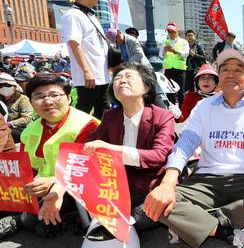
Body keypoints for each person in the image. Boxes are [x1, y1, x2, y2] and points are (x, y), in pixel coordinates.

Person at [143, 49, 244, 248]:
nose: (230, 74)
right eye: (225, 69)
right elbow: (186, 142)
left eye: (238, 69)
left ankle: (197, 224)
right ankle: (229, 232)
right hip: (206, 181)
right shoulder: (203, 106)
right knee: (158, 202)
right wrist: (167, 182)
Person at [39, 63, 175, 237]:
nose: (121, 81)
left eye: (129, 77)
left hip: (147, 185)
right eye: (117, 78)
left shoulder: (162, 116)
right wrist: (58, 187)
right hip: (114, 186)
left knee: (138, 220)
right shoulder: (110, 116)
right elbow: (84, 151)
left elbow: (159, 156)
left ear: (146, 87)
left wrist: (113, 150)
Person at [0, 72, 98, 239]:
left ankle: (70, 217)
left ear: (68, 98)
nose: (48, 101)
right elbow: (27, 170)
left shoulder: (87, 125)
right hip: (44, 185)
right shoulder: (30, 130)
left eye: (54, 95)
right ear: (31, 102)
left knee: (30, 220)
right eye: (39, 97)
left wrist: (53, 183)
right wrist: (26, 187)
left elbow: (87, 169)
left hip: (78, 187)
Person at [61, 0, 111, 121]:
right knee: (83, 111)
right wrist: (86, 71)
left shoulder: (89, 15)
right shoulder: (72, 15)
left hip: (101, 74)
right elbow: (74, 44)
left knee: (104, 110)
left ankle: (101, 138)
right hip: (89, 76)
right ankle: (75, 140)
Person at [161, 22, 189, 107]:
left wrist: (175, 51)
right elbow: (160, 55)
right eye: (169, 32)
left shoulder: (184, 42)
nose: (171, 34)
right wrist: (165, 51)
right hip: (169, 69)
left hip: (180, 69)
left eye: (172, 31)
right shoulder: (165, 42)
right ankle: (172, 109)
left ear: (177, 32)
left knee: (181, 91)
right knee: (169, 90)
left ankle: (182, 110)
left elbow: (186, 53)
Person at [0, 73, 33, 143]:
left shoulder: (22, 99)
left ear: (15, 87)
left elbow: (26, 118)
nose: (4, 88)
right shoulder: (0, 99)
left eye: (7, 85)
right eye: (1, 85)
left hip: (18, 128)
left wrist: (9, 124)